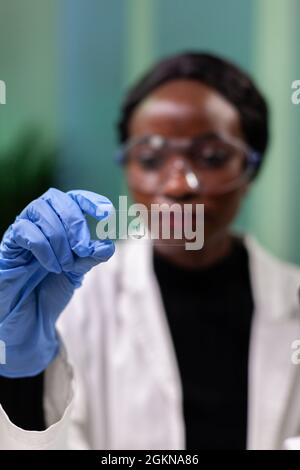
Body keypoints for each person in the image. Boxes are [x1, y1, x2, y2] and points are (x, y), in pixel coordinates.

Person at [0, 51, 300, 450]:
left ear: (250, 169)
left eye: (210, 156)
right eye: (150, 158)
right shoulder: (75, 301)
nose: (177, 185)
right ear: (127, 167)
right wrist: (17, 369)